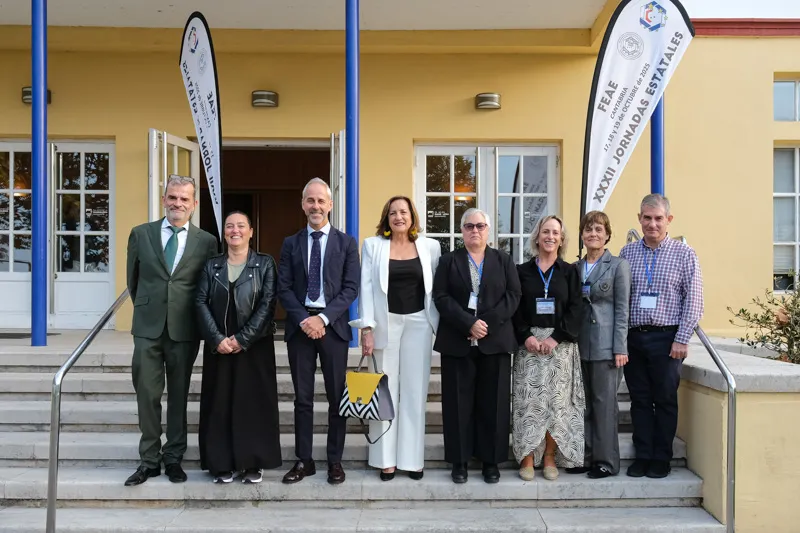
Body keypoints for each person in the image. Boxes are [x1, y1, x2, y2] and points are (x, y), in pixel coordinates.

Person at [124, 175, 218, 486]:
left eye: (184, 198)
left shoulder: (207, 241)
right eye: (173, 197)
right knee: (147, 394)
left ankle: (174, 457)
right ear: (164, 199)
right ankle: (149, 460)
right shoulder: (141, 234)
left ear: (194, 204)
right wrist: (149, 309)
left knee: (179, 395)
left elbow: (206, 287)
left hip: (185, 328)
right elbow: (133, 281)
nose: (178, 203)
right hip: (147, 327)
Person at [349, 196, 441, 481]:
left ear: (412, 216)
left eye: (403, 212)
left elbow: (436, 289)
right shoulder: (373, 245)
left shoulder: (430, 247)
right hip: (383, 324)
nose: (399, 217)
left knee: (415, 392)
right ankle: (384, 460)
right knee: (383, 392)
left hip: (419, 324)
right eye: (393, 213)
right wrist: (366, 328)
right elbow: (365, 288)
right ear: (386, 218)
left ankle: (412, 460)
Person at [277, 177, 360, 485]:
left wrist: (322, 319)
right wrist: (305, 320)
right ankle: (304, 460)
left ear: (330, 205)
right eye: (310, 200)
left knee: (337, 398)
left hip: (333, 328)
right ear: (303, 205)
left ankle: (335, 461)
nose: (316, 206)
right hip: (300, 329)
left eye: (321, 201)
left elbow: (350, 288)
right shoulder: (290, 243)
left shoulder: (346, 243)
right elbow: (283, 288)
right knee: (303, 399)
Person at [433, 208, 521, 484]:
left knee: (493, 404)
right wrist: (467, 323)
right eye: (469, 226)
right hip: (457, 341)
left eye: (480, 226)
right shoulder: (448, 261)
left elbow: (513, 295)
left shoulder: (504, 260)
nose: (475, 230)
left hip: (494, 342)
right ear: (462, 231)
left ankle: (490, 462)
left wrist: (486, 324)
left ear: (488, 230)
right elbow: (441, 296)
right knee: (457, 405)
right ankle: (459, 462)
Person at [619, 194, 703, 479]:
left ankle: (661, 457)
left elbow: (694, 300)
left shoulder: (684, 254)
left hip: (668, 339)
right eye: (647, 218)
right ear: (639, 219)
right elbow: (621, 298)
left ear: (669, 220)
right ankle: (643, 455)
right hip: (634, 338)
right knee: (640, 400)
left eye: (658, 218)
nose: (652, 224)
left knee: (665, 399)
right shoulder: (627, 253)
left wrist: (682, 338)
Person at [196, 211, 281, 484]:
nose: (235, 230)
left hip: (255, 344)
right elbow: (200, 301)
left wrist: (242, 339)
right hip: (219, 344)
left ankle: (252, 462)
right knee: (219, 402)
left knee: (253, 403)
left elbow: (268, 304)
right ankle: (221, 463)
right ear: (224, 232)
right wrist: (216, 338)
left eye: (241, 226)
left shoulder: (265, 264)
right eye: (230, 226)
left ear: (251, 232)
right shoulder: (212, 265)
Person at [512, 215, 584, 482]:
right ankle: (528, 457)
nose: (550, 236)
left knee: (556, 404)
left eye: (555, 232)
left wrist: (557, 337)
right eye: (545, 231)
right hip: (529, 347)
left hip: (559, 347)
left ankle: (550, 456)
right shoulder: (521, 271)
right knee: (528, 404)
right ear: (537, 236)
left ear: (561, 239)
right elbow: (514, 307)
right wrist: (525, 336)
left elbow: (576, 308)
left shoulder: (569, 271)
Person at [574, 210, 631, 479]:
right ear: (582, 235)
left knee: (605, 405)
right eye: (588, 229)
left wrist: (620, 347)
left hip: (606, 346)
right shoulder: (575, 267)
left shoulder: (618, 266)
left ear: (607, 235)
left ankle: (606, 461)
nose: (593, 234)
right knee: (583, 403)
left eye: (599, 229)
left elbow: (622, 310)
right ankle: (585, 457)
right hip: (579, 345)